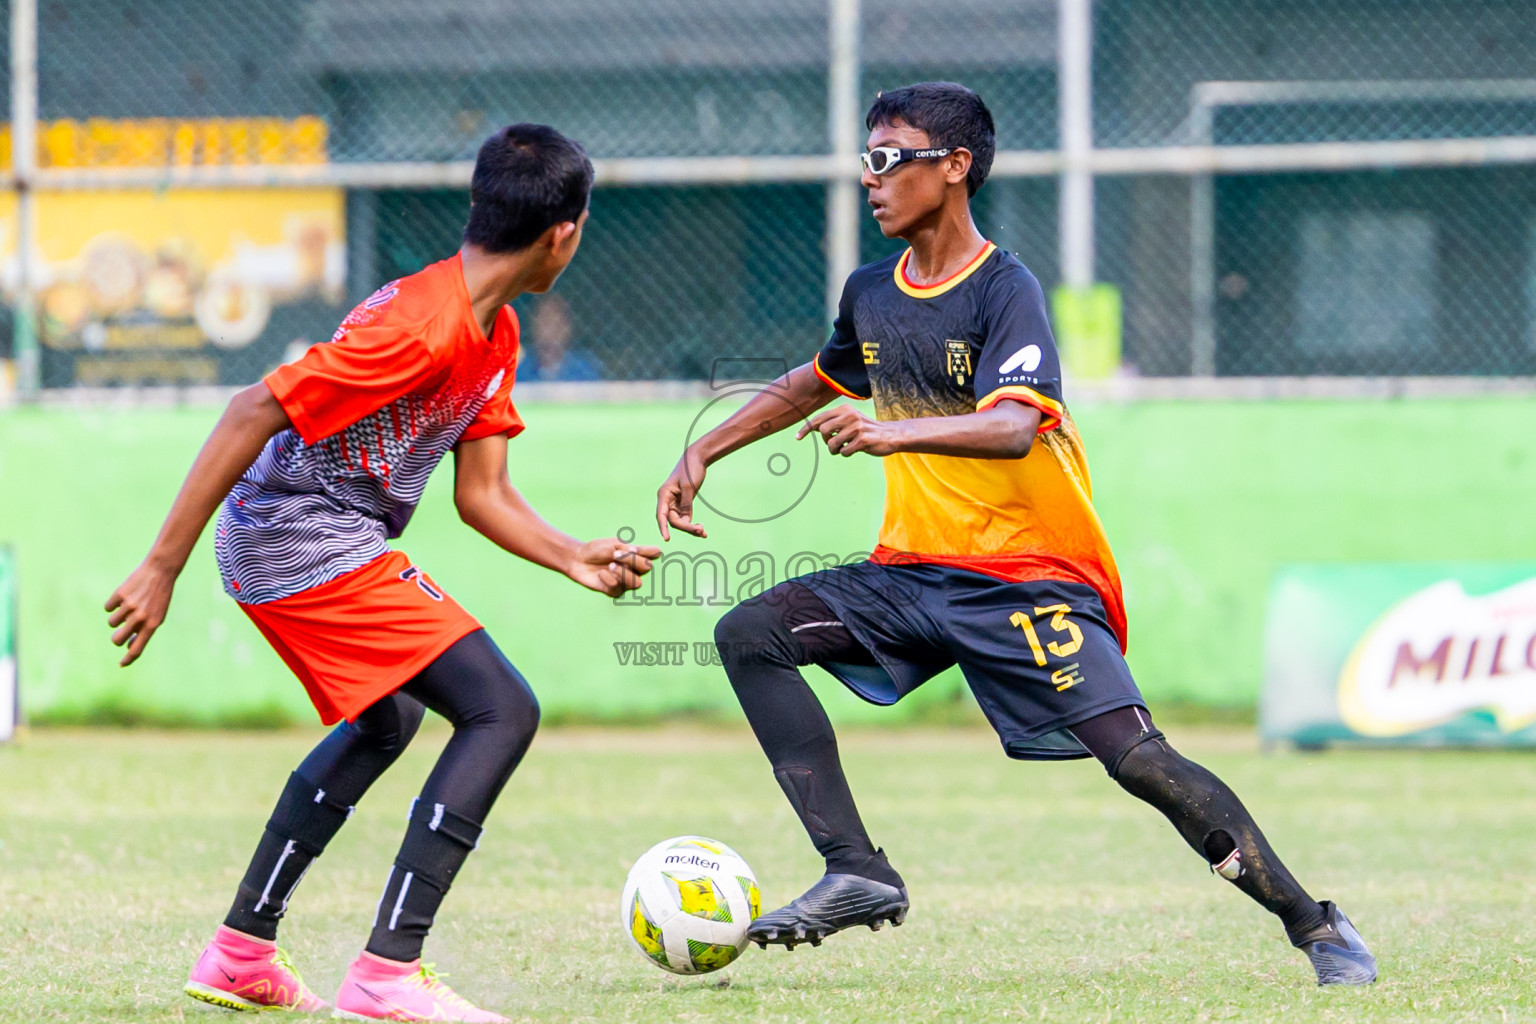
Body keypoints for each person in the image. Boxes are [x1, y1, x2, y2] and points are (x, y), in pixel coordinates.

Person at [655, 83, 1376, 986]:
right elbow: (814, 380)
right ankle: (857, 869)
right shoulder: (872, 292)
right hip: (914, 575)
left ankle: (1314, 925)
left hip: (1032, 580)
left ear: (953, 168)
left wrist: (889, 431)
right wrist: (704, 451)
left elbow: (1012, 425)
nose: (869, 179)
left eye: (889, 159)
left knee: (1140, 762)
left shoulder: (1007, 289)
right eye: (865, 159)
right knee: (750, 634)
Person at [105, 123, 660, 1022]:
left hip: (329, 534)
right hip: (294, 532)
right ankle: (386, 974)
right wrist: (160, 566)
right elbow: (255, 408)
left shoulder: (495, 329)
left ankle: (240, 953)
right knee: (500, 709)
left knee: (388, 718)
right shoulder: (418, 327)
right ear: (565, 231)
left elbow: (482, 495)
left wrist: (570, 554)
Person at [516, 293, 603, 381]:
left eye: (556, 323)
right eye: (545, 322)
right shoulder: (519, 367)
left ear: (567, 327)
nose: (550, 330)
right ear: (533, 326)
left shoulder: (583, 370)